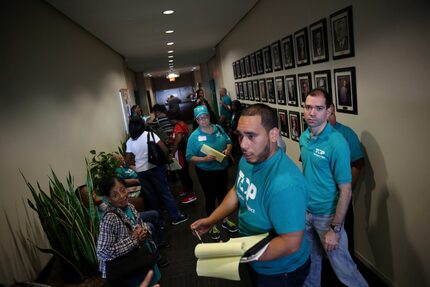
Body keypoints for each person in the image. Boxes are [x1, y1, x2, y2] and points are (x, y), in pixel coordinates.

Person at [191, 104, 310, 287]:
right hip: (255, 257)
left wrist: (244, 255)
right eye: (240, 136)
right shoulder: (249, 159)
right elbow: (237, 191)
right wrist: (212, 219)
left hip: (280, 271)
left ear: (273, 135)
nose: (243, 145)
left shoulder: (286, 185)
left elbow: (291, 242)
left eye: (252, 136)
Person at [299, 88, 368, 287]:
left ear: (328, 111)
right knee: (310, 264)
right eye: (308, 107)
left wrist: (335, 229)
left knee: (344, 270)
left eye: (318, 108)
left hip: (326, 217)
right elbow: (310, 173)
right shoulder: (305, 137)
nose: (312, 113)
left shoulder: (337, 142)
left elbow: (346, 190)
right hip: (306, 213)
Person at [96, 177, 161, 286]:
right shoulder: (110, 218)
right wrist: (134, 240)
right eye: (115, 195)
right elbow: (103, 252)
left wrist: (145, 231)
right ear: (108, 198)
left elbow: (141, 224)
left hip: (144, 257)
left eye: (123, 190)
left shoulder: (129, 206)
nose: (122, 196)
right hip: (131, 267)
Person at [125, 117, 188, 226]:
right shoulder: (150, 135)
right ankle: (176, 216)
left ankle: (159, 221)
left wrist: (138, 161)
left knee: (151, 196)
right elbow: (164, 149)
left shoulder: (130, 141)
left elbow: (128, 160)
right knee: (164, 192)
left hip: (141, 172)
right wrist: (167, 159)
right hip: (156, 168)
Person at [186, 105, 237, 240]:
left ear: (209, 116)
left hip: (222, 168)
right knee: (210, 197)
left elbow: (229, 142)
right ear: (196, 120)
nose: (203, 120)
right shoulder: (194, 136)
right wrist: (204, 159)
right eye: (200, 118)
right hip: (206, 171)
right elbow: (189, 157)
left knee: (223, 195)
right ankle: (211, 223)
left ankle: (225, 220)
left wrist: (227, 150)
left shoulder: (218, 128)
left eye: (205, 117)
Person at [328, 104, 365, 255]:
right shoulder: (312, 134)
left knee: (344, 242)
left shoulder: (346, 134)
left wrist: (345, 191)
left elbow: (358, 164)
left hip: (340, 199)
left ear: (332, 111)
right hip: (320, 201)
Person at [168, 114, 196, 204]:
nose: (169, 122)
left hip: (180, 153)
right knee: (183, 172)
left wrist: (172, 153)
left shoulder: (178, 126)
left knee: (184, 174)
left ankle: (191, 195)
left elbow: (178, 140)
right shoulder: (182, 123)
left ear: (174, 119)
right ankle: (186, 190)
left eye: (170, 120)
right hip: (183, 152)